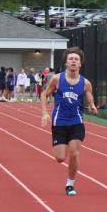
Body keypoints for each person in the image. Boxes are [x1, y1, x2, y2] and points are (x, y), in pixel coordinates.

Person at [40, 47, 98, 196]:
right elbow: (45, 94)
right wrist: (45, 113)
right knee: (60, 158)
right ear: (66, 63)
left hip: (76, 121)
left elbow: (89, 95)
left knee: (75, 153)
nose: (73, 61)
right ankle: (61, 149)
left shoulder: (85, 82)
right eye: (71, 59)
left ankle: (70, 184)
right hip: (59, 122)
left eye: (76, 59)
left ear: (80, 63)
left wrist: (92, 105)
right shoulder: (57, 79)